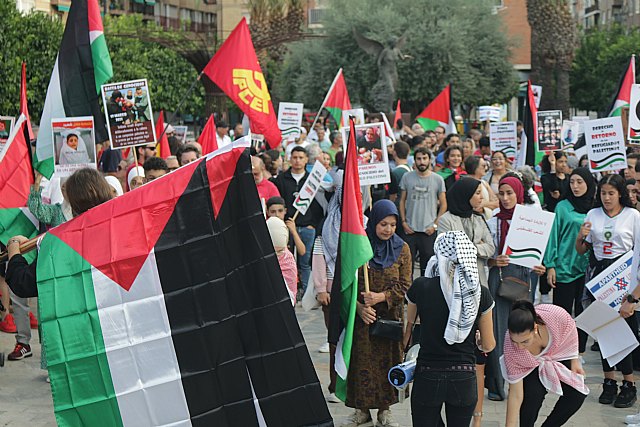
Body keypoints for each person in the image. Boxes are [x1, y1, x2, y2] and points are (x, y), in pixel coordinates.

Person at [407, 231, 495, 426]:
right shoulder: (480, 294)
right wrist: (477, 339)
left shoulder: (421, 286)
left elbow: (410, 327)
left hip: (427, 374)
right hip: (463, 376)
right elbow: (488, 345)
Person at [343, 200, 411, 427]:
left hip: (389, 318)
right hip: (364, 318)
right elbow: (347, 284)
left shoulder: (402, 249)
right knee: (361, 361)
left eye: (392, 224)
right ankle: (361, 411)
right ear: (374, 223)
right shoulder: (361, 247)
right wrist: (359, 308)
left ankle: (385, 410)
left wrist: (382, 297)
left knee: (388, 362)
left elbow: (405, 285)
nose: (388, 229)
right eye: (383, 224)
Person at [576, 173, 640, 408]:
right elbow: (581, 250)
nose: (607, 198)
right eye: (603, 193)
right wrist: (581, 236)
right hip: (599, 276)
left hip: (623, 275)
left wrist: (634, 294)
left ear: (621, 193)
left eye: (611, 193)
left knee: (626, 330)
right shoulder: (593, 214)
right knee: (603, 331)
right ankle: (609, 381)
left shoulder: (633, 216)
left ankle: (629, 384)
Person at [436, 179, 496, 426]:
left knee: (480, 352)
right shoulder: (446, 220)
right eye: (476, 194)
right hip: (453, 294)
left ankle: (478, 416)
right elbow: (446, 251)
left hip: (480, 290)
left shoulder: (479, 218)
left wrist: (467, 247)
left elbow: (490, 247)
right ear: (464, 195)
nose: (481, 198)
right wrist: (474, 248)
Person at [485, 176, 546, 401]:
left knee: (523, 329)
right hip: (499, 280)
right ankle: (497, 384)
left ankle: (523, 379)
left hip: (523, 279)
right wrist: (494, 261)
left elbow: (538, 255)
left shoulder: (530, 220)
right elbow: (484, 255)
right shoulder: (493, 221)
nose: (506, 198)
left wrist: (540, 267)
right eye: (501, 193)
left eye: (510, 193)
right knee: (499, 330)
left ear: (519, 193)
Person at [502, 301, 588, 427]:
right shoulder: (511, 348)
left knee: (577, 394)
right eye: (515, 341)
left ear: (535, 328)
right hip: (529, 365)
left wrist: (574, 360)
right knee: (532, 396)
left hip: (559, 353)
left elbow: (570, 327)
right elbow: (515, 394)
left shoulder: (554, 315)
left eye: (525, 341)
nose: (520, 347)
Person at [544, 168, 595, 360]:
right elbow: (553, 237)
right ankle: (559, 351)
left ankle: (578, 352)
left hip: (588, 269)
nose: (575, 186)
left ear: (589, 183)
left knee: (583, 312)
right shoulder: (562, 207)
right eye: (572, 182)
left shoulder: (596, 208)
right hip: (564, 267)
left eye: (580, 182)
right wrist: (550, 265)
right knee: (561, 313)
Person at [399, 147, 447, 275]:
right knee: (407, 268)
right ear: (414, 161)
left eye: (424, 158)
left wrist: (435, 225)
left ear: (430, 160)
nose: (422, 162)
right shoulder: (406, 177)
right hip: (410, 229)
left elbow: (443, 204)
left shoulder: (438, 179)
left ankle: (424, 294)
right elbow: (402, 200)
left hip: (428, 230)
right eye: (419, 159)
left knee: (427, 269)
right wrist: (403, 222)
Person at [266, 217, 297, 305]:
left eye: (280, 251)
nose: (277, 255)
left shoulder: (288, 259)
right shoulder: (259, 259)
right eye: (273, 252)